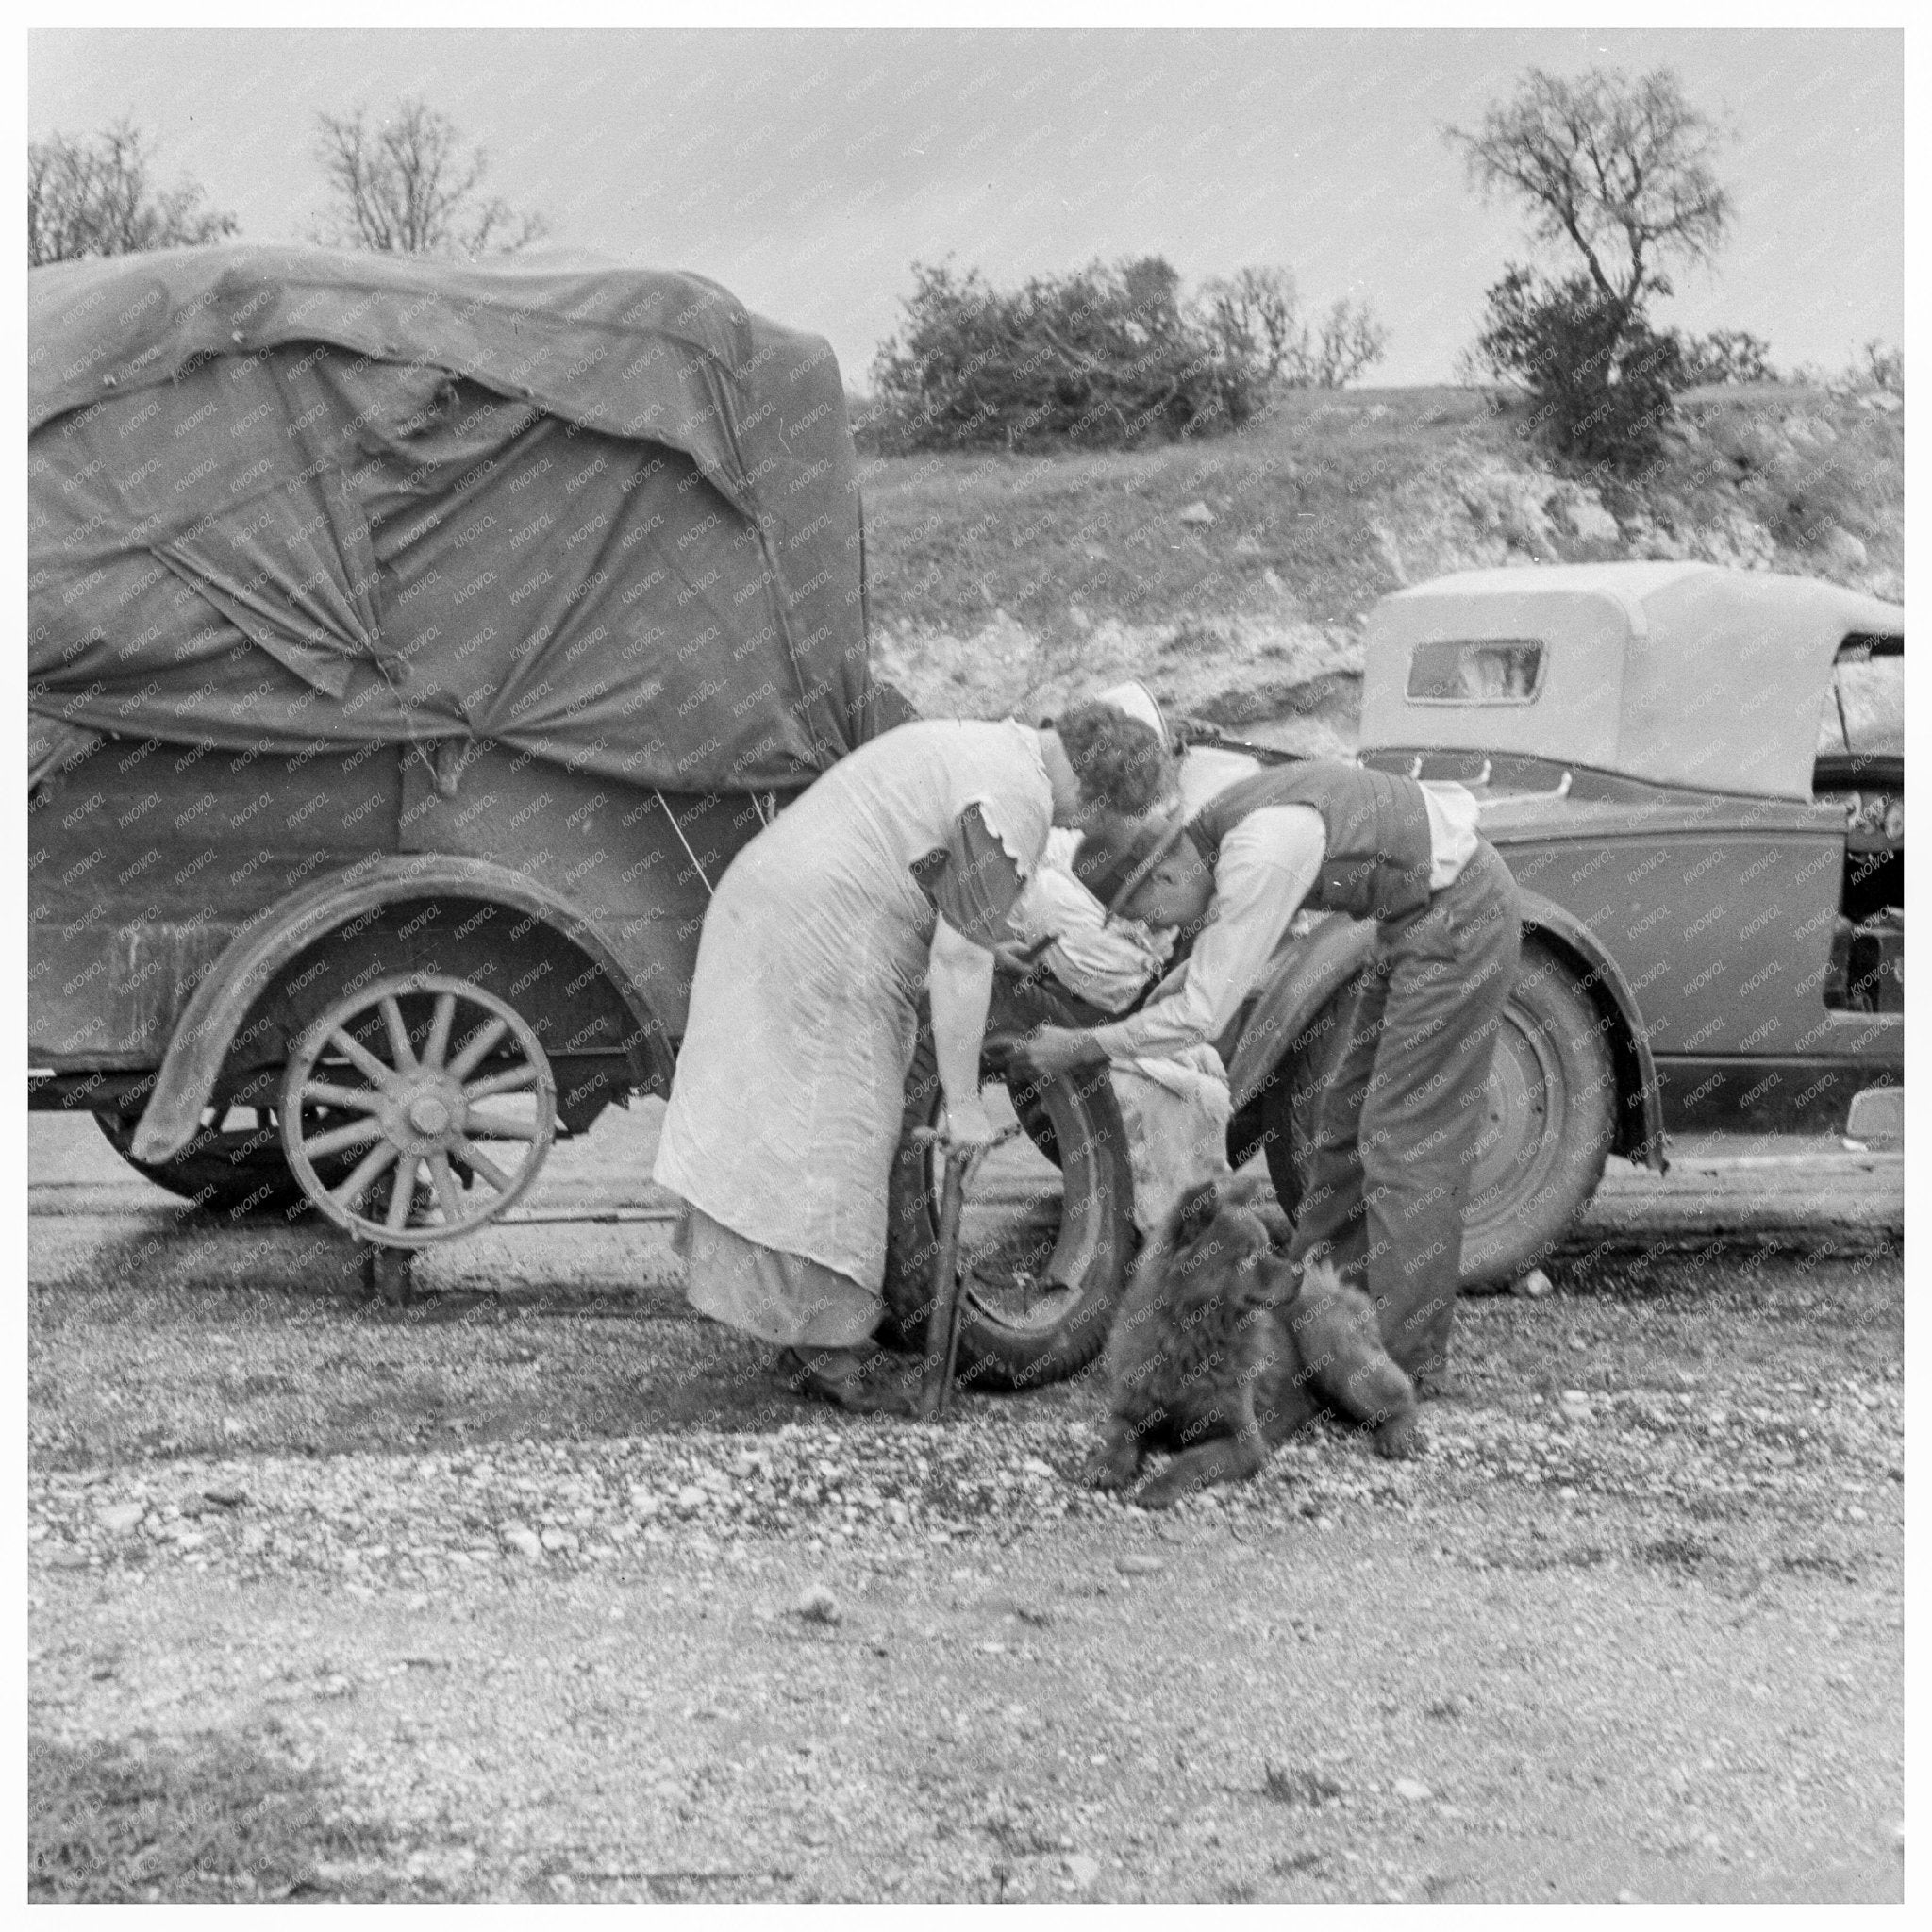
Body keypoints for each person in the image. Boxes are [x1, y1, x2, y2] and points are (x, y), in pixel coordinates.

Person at [652, 703, 1170, 1413]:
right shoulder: (1016, 798)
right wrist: (961, 1105)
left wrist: (991, 938)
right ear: (1094, 791)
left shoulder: (990, 745)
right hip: (821, 936)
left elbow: (924, 858)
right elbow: (959, 960)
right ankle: (824, 1356)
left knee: (790, 1126)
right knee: (842, 1133)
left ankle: (803, 1335)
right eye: (1095, 819)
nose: (1079, 829)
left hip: (778, 904)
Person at [1017, 759, 1521, 1386]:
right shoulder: (1226, 837)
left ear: (1169, 872)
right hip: (1407, 923)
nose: (1159, 928)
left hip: (1458, 918)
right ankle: (1319, 1321)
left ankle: (1402, 1366)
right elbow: (1204, 970)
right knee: (1340, 1123)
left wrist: (1087, 1045)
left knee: (1404, 1144)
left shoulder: (1258, 854)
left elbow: (1202, 1011)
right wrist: (1130, 1024)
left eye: (1150, 914)